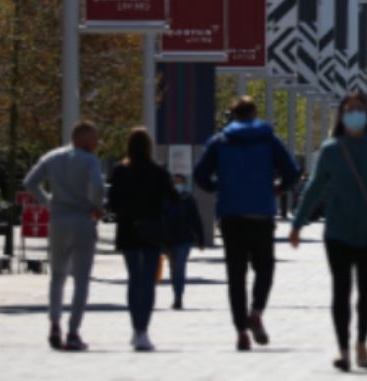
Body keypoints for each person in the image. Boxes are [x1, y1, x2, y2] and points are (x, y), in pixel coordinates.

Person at [290, 91, 367, 372]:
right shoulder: (331, 149)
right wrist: (298, 223)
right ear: (341, 115)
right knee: (341, 291)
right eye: (348, 109)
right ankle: (343, 348)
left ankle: (361, 341)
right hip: (337, 231)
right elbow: (314, 188)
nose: (353, 114)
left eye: (359, 109)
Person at [194, 96, 301, 351]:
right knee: (265, 268)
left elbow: (199, 175)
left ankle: (241, 331)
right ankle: (256, 311)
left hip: (231, 216)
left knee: (236, 276)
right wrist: (278, 188)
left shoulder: (220, 141)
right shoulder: (269, 140)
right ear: (254, 114)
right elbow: (293, 172)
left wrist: (218, 188)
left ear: (232, 115)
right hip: (261, 214)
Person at [23, 120, 104, 351]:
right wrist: (97, 206)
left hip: (58, 221)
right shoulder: (90, 161)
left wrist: (48, 203)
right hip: (82, 221)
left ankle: (54, 323)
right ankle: (73, 332)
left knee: (57, 276)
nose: (97, 142)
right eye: (94, 137)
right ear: (82, 138)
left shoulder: (53, 157)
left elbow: (30, 182)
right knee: (81, 280)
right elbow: (98, 187)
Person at [109, 127, 178, 352]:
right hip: (152, 229)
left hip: (128, 229)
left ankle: (135, 328)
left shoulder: (120, 171)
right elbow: (173, 199)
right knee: (148, 281)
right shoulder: (158, 172)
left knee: (134, 279)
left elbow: (113, 204)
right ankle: (143, 331)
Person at [164, 174, 205, 310]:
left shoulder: (189, 199)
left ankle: (178, 297)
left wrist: (200, 239)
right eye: (175, 182)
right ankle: (176, 293)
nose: (177, 185)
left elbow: (196, 219)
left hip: (185, 239)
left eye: (180, 182)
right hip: (169, 239)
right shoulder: (165, 198)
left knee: (180, 268)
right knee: (173, 269)